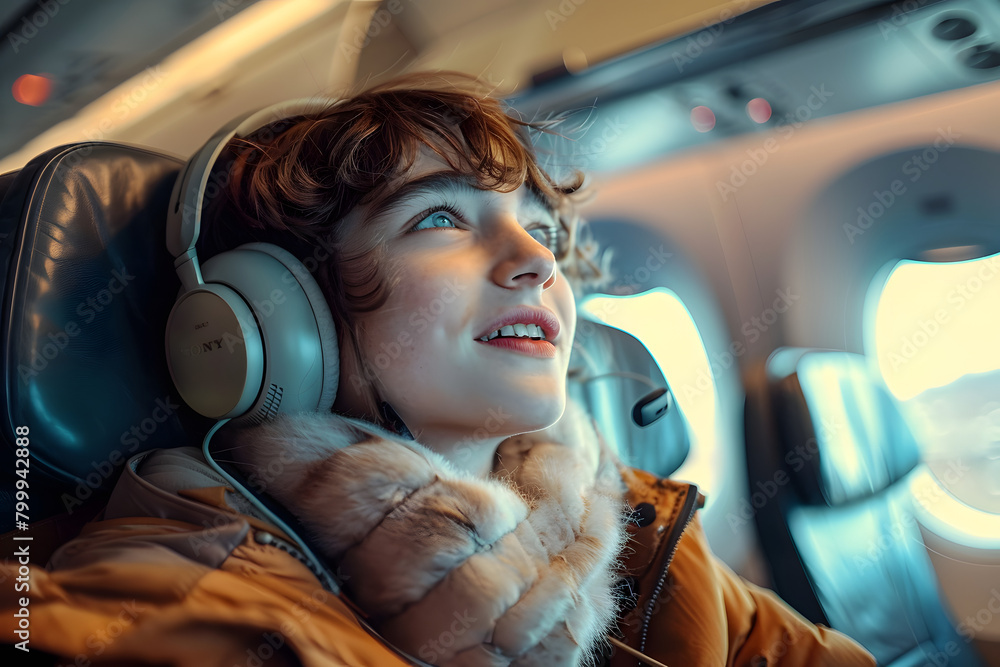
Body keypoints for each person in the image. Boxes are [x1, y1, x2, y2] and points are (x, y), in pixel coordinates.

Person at [0, 73, 875, 666]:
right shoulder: (184, 603)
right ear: (272, 319)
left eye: (541, 226)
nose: (536, 260)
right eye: (439, 221)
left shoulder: (624, 525)